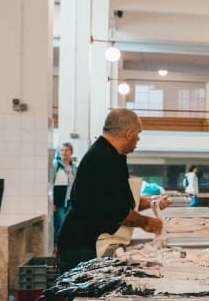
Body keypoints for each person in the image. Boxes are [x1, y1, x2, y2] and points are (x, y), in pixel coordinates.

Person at [57, 110, 168, 272]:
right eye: (138, 133)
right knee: (84, 295)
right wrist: (146, 222)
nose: (138, 139)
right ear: (129, 133)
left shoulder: (113, 154)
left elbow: (121, 200)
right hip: (80, 245)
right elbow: (116, 211)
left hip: (86, 240)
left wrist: (152, 203)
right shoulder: (103, 158)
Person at [51, 142, 78, 240]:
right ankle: (57, 247)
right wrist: (52, 202)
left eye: (66, 150)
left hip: (71, 202)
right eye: (62, 150)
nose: (64, 152)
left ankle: (64, 247)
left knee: (69, 226)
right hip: (59, 202)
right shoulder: (55, 165)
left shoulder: (74, 168)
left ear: (71, 152)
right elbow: (50, 184)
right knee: (60, 224)